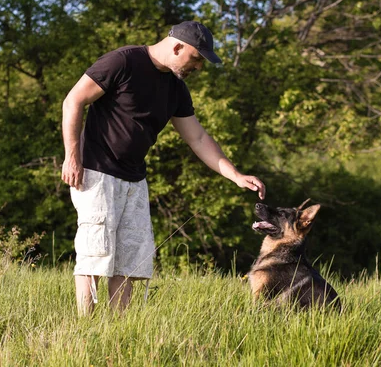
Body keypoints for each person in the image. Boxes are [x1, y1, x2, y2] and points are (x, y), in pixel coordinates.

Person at [61, 21, 266, 315]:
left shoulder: (175, 87)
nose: (198, 67)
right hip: (96, 170)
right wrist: (72, 157)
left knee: (130, 259)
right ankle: (85, 327)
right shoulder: (123, 61)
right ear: (178, 46)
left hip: (134, 179)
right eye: (196, 58)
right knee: (95, 253)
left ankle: (117, 330)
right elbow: (74, 100)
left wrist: (235, 175)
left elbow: (197, 138)